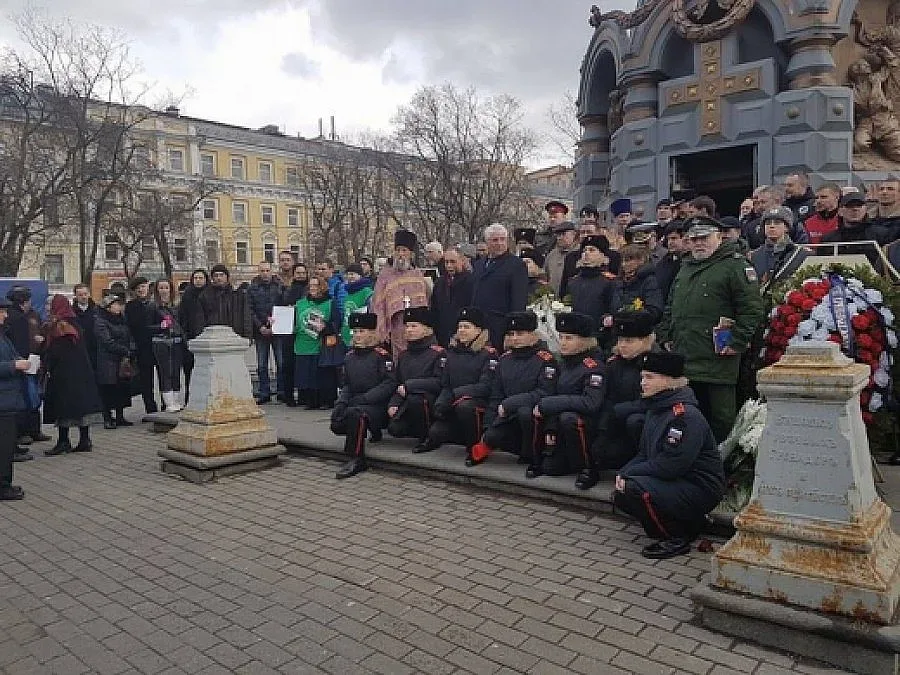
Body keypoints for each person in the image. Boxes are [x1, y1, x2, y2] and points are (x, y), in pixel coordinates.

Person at [658, 217, 764, 442]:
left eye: (704, 238)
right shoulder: (686, 266)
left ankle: (721, 460)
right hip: (686, 354)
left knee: (721, 419)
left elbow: (752, 309)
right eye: (694, 239)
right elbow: (671, 305)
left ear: (719, 236)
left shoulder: (735, 266)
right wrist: (666, 334)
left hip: (718, 356)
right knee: (688, 414)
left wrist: (737, 341)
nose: (698, 243)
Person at [614, 351, 725, 559]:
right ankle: (690, 523)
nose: (643, 383)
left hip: (699, 488)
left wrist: (630, 476)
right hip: (677, 481)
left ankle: (676, 537)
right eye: (642, 377)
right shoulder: (657, 409)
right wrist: (623, 473)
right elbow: (645, 453)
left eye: (649, 377)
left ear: (668, 380)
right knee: (621, 494)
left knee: (636, 489)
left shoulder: (684, 417)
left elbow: (671, 465)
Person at [466, 311, 557, 468]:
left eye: (520, 334)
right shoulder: (505, 359)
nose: (514, 338)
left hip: (534, 416)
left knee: (524, 413)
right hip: (508, 416)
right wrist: (488, 426)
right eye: (511, 334)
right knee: (491, 437)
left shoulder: (545, 360)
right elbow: (496, 395)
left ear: (532, 334)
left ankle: (533, 456)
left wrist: (511, 403)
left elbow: (545, 393)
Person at [530, 312, 605, 486]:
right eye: (561, 337)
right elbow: (554, 394)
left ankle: (588, 468)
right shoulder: (563, 364)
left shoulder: (593, 367)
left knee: (568, 417)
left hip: (588, 426)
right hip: (561, 428)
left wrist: (550, 404)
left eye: (569, 338)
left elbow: (591, 403)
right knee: (550, 468)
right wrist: (551, 428)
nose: (563, 342)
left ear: (584, 341)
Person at [591, 310, 659, 473]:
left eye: (629, 341)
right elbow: (607, 396)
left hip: (643, 422)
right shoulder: (614, 364)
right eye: (620, 340)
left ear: (645, 340)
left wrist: (620, 410)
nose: (622, 345)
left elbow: (655, 401)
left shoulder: (657, 364)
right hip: (616, 422)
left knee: (635, 421)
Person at [331, 312, 396, 479]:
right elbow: (347, 385)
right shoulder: (349, 357)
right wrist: (341, 403)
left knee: (356, 414)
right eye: (355, 331)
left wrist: (366, 398)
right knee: (337, 423)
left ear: (372, 333)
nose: (357, 335)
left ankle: (357, 458)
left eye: (362, 331)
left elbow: (389, 384)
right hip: (356, 403)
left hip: (378, 406)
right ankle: (370, 432)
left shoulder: (381, 356)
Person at [424, 307, 496, 457]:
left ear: (478, 331)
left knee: (465, 407)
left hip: (477, 404)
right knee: (436, 432)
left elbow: (486, 387)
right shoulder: (451, 352)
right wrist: (441, 403)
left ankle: (475, 447)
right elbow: (446, 384)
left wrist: (457, 394)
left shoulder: (488, 354)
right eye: (460, 327)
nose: (462, 330)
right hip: (453, 403)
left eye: (467, 327)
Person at [41, 295, 103, 455]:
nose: (47, 308)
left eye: (49, 305)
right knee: (80, 406)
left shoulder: (61, 326)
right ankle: (84, 440)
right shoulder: (74, 321)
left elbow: (57, 351)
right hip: (81, 371)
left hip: (65, 374)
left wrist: (45, 353)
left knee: (63, 406)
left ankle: (64, 441)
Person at [386, 307, 445, 451]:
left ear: (427, 329)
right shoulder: (404, 355)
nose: (409, 330)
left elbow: (439, 382)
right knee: (394, 429)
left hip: (431, 403)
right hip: (407, 403)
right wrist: (394, 403)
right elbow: (398, 383)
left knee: (417, 399)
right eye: (407, 326)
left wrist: (410, 386)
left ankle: (428, 438)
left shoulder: (438, 353)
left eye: (414, 326)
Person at [372, 230, 430, 358]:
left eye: (404, 250)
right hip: (395, 325)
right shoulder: (385, 275)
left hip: (416, 325)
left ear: (411, 253)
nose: (400, 254)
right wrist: (382, 327)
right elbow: (378, 303)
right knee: (398, 357)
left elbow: (424, 302)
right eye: (398, 250)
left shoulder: (417, 275)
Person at [471, 223, 529, 349]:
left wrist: (513, 329)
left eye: (503, 239)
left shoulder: (516, 265)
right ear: (487, 242)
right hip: (479, 325)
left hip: (501, 325)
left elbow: (519, 300)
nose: (499, 243)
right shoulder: (479, 264)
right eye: (495, 240)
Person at [6, 286, 47, 448]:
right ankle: (22, 433)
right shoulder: (17, 318)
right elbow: (19, 342)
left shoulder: (33, 315)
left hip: (32, 359)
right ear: (23, 301)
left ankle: (34, 430)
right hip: (23, 362)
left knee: (33, 396)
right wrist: (23, 360)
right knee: (26, 397)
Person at [294, 276, 342, 410]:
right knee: (307, 374)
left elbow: (337, 322)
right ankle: (310, 401)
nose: (313, 288)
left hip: (322, 344)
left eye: (316, 285)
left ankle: (326, 400)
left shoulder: (330, 303)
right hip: (303, 344)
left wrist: (325, 327)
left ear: (322, 287)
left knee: (322, 374)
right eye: (311, 285)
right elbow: (293, 322)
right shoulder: (300, 303)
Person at [0, 296, 29, 501]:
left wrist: (20, 360)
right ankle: (3, 486)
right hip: (3, 400)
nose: (5, 315)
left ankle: (5, 483)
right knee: (4, 446)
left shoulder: (4, 335)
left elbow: (11, 354)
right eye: (2, 311)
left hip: (8, 398)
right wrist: (14, 366)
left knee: (7, 445)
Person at [94, 292, 136, 429]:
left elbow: (129, 335)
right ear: (108, 307)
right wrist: (124, 350)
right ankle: (107, 417)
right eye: (116, 304)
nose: (119, 307)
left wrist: (131, 348)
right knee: (108, 390)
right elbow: (107, 342)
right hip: (108, 360)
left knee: (121, 389)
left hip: (122, 360)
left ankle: (120, 416)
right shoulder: (101, 321)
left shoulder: (122, 319)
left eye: (119, 304)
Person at [248, 261, 285, 404]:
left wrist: (276, 324)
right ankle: (264, 392)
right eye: (262, 270)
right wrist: (260, 326)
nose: (265, 273)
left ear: (271, 271)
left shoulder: (279, 286)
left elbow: (284, 306)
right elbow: (250, 310)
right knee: (262, 364)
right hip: (260, 331)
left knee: (281, 362)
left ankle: (281, 391)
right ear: (259, 272)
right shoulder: (252, 288)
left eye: (267, 270)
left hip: (278, 329)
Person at [750, 207, 810, 293]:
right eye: (768, 223)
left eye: (777, 223)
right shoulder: (753, 256)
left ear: (786, 227)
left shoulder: (802, 254)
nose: (772, 226)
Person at [818, 192, 882, 268]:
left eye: (859, 205)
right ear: (840, 211)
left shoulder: (880, 235)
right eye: (849, 206)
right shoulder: (828, 240)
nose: (855, 209)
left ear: (865, 209)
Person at [148, 278, 184, 413]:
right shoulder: (153, 306)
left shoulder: (176, 305)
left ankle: (176, 400)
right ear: (157, 290)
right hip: (161, 342)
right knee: (166, 372)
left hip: (176, 341)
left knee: (176, 372)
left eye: (166, 287)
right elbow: (147, 327)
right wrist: (160, 326)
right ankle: (168, 402)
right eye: (161, 288)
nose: (164, 290)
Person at [124, 277, 158, 414]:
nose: (141, 290)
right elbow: (134, 327)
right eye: (138, 288)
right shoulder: (131, 306)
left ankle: (166, 405)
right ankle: (151, 408)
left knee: (164, 378)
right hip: (142, 347)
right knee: (146, 380)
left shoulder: (155, 304)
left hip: (158, 345)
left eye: (143, 287)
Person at [608, 244, 664, 324]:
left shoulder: (649, 281)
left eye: (628, 260)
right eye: (622, 261)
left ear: (641, 260)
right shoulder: (617, 282)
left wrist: (629, 315)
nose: (624, 264)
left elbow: (654, 311)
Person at [430, 247, 474, 347]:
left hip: (463, 336)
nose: (449, 265)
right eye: (446, 262)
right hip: (442, 336)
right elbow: (434, 309)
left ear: (462, 261)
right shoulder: (440, 283)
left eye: (453, 262)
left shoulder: (471, 282)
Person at [566, 235, 615, 326]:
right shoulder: (573, 282)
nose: (586, 253)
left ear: (603, 256)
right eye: (584, 250)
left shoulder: (610, 282)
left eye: (592, 250)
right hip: (576, 330)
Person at [194, 264, 253, 338]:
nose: (219, 278)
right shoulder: (205, 296)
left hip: (235, 335)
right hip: (213, 336)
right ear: (212, 278)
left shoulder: (237, 295)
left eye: (221, 275)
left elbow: (246, 316)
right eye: (216, 275)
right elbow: (200, 319)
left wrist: (248, 335)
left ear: (227, 277)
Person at [280, 263, 310, 406]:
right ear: (293, 274)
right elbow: (279, 306)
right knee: (288, 365)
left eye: (303, 273)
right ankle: (289, 396)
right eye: (298, 273)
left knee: (303, 365)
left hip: (304, 332)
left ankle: (304, 396)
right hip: (288, 331)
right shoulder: (287, 290)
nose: (301, 275)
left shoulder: (310, 290)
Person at [177, 269, 208, 405]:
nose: (198, 280)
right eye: (196, 278)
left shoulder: (210, 295)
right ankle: (190, 399)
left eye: (201, 278)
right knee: (189, 371)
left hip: (206, 338)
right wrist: (185, 336)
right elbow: (182, 317)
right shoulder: (187, 296)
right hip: (190, 339)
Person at [341, 263, 375, 346]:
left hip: (360, 335)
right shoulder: (347, 293)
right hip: (347, 333)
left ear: (360, 275)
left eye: (352, 274)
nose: (350, 276)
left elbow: (372, 312)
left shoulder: (366, 292)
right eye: (348, 274)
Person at [543, 221, 579, 295]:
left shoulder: (580, 253)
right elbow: (545, 276)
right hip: (553, 298)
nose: (559, 238)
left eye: (563, 234)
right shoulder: (552, 255)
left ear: (574, 234)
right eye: (558, 235)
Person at [655, 220, 687, 302]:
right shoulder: (663, 262)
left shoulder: (691, 262)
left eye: (674, 238)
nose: (670, 242)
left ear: (685, 238)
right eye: (668, 239)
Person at [72, 284, 98, 371]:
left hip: (95, 349)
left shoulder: (97, 310)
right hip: (78, 348)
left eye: (85, 294)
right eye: (80, 295)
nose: (83, 297)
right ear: (75, 296)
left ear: (89, 294)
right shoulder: (71, 312)